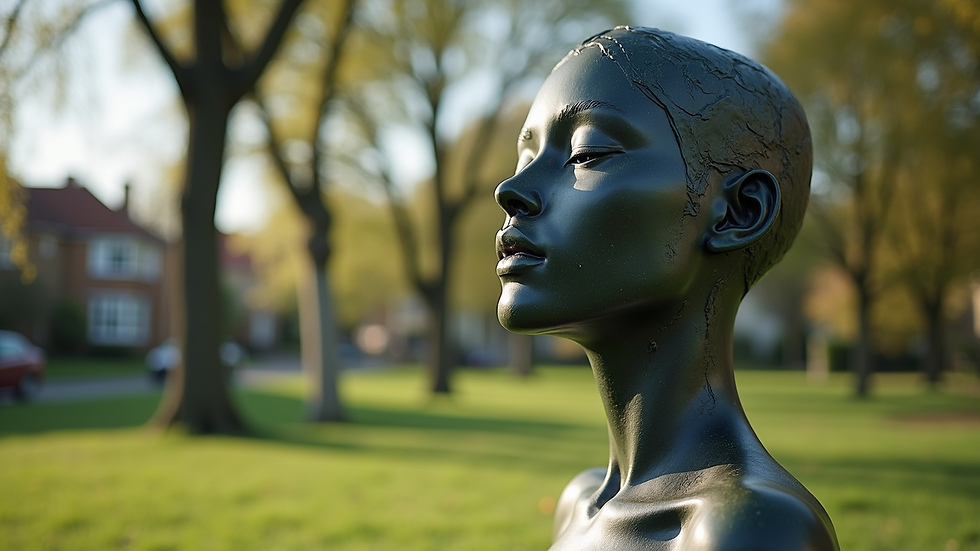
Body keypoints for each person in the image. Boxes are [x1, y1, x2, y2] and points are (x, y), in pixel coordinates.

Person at [493, 26, 838, 551]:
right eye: (527, 156)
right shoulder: (580, 503)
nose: (511, 190)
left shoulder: (745, 529)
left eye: (586, 153)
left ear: (738, 211)